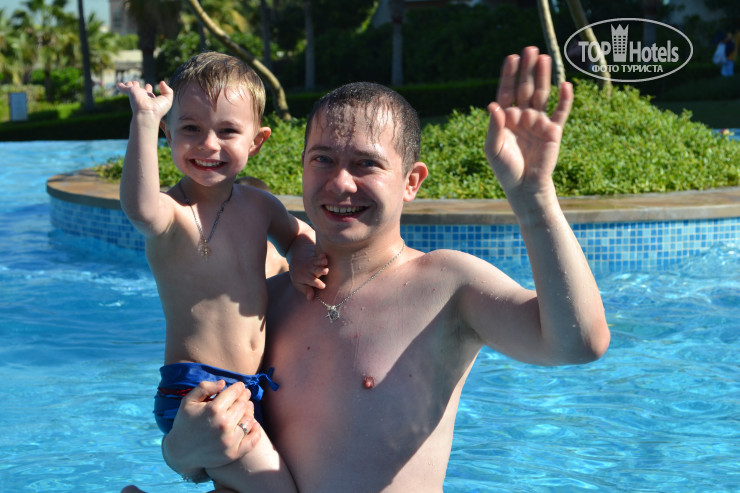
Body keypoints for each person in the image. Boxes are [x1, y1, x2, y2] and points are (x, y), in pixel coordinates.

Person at [123, 46, 610, 492]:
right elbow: (209, 445)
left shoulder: (446, 286)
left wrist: (534, 199)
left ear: (411, 181)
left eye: (365, 164)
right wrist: (179, 450)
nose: (340, 183)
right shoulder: (272, 295)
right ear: (302, 167)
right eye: (323, 159)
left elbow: (577, 344)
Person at [117, 51, 328, 492]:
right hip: (196, 390)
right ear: (168, 133)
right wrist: (143, 119)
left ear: (256, 141)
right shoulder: (170, 213)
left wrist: (302, 257)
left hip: (250, 388)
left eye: (228, 131)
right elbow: (138, 208)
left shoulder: (260, 206)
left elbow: (299, 235)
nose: (209, 144)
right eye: (191, 129)